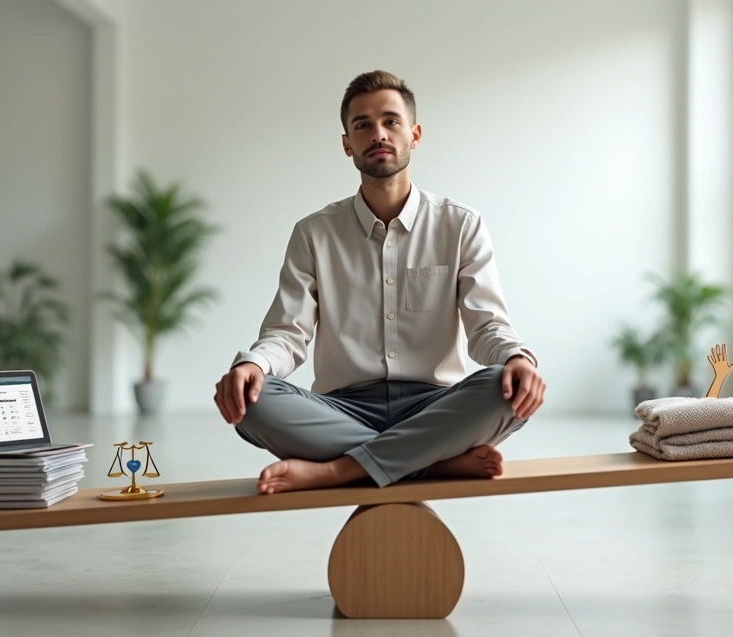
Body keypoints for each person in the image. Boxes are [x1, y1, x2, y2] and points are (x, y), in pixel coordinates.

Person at [214, 70, 545, 495]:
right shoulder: (314, 233)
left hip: (436, 405)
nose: (378, 133)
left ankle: (340, 469)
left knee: (504, 388)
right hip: (342, 408)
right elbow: (286, 333)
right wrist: (252, 365)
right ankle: (432, 461)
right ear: (347, 143)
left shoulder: (461, 225)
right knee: (252, 402)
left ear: (415, 134)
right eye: (362, 125)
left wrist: (518, 358)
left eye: (391, 121)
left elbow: (487, 326)